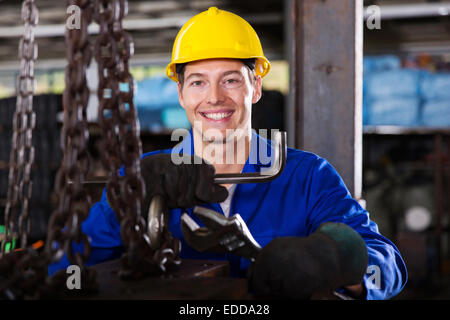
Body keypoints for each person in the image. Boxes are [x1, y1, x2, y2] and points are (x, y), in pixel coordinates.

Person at [49, 7, 407, 300]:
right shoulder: (144, 178)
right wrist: (124, 213)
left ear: (255, 88)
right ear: (181, 94)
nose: (215, 97)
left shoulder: (308, 176)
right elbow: (66, 270)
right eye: (198, 81)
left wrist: (333, 261)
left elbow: (385, 265)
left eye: (231, 79)